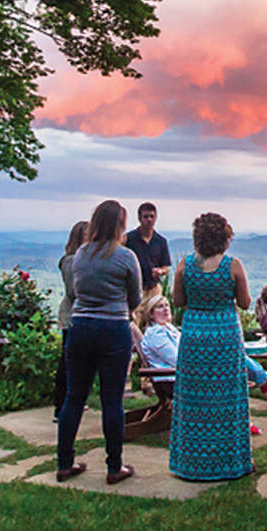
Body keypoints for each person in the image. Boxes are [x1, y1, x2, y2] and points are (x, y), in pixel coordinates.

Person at [55, 200, 143, 485]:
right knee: (112, 400)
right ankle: (114, 466)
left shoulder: (80, 255)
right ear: (120, 225)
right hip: (113, 329)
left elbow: (77, 290)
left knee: (74, 397)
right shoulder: (126, 257)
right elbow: (136, 299)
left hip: (80, 327)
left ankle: (64, 463)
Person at [169, 211, 254, 480]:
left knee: (193, 399)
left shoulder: (185, 265)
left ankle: (191, 463)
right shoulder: (233, 266)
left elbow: (178, 301)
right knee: (227, 397)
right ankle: (230, 462)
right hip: (225, 336)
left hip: (194, 335)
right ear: (224, 237)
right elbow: (245, 303)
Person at [51, 221, 88, 421]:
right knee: (67, 362)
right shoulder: (70, 260)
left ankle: (75, 401)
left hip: (81, 316)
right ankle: (60, 405)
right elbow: (72, 292)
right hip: (71, 317)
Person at [125, 202, 173, 304]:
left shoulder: (161, 241)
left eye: (152, 216)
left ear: (156, 218)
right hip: (135, 290)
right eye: (146, 217)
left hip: (154, 289)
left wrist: (160, 271)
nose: (149, 220)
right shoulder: (129, 239)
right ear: (139, 218)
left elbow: (166, 266)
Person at [135, 295, 180, 400]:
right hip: (169, 381)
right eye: (160, 306)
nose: (165, 309)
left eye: (167, 305)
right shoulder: (156, 334)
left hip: (178, 377)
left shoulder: (170, 329)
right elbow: (176, 360)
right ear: (151, 314)